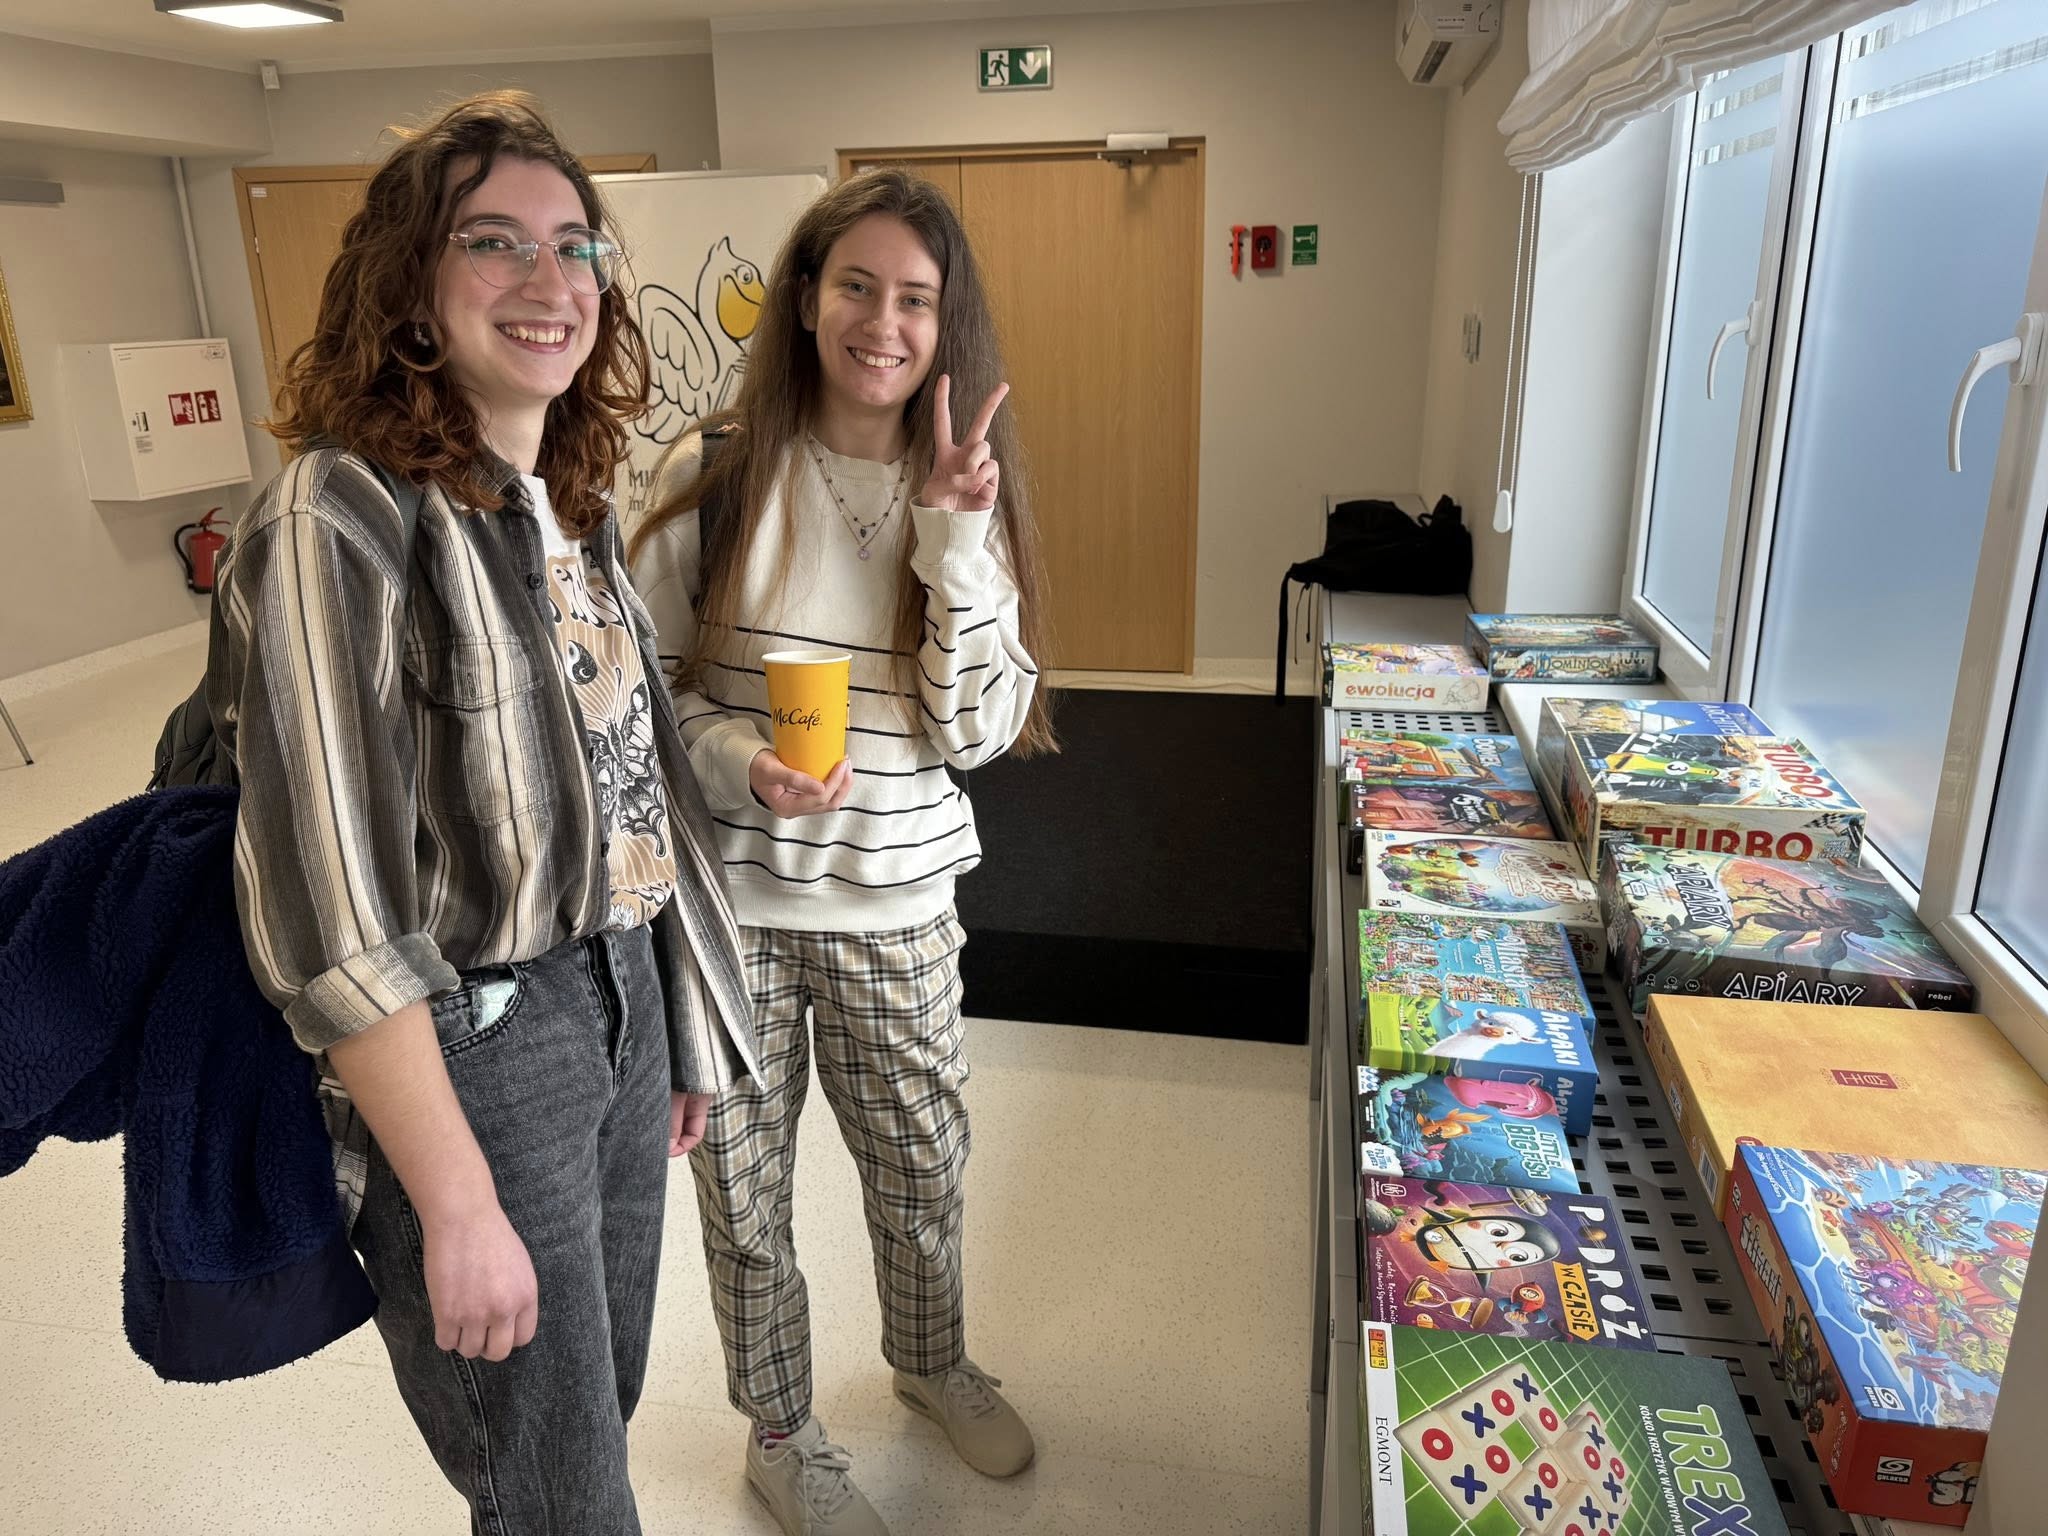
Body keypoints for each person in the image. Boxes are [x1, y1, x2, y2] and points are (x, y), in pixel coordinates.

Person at [208, 91, 757, 1533]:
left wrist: (669, 1020)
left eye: (576, 246)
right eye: (493, 241)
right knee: (554, 1487)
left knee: (591, 1421)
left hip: (619, 997)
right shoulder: (335, 516)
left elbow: (628, 793)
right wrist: (452, 1201)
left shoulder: (565, 501)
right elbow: (330, 913)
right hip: (478, 1042)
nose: (548, 278)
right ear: (408, 285)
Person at [628, 167, 1054, 1536]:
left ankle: (931, 1363)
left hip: (898, 901)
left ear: (945, 324)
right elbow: (646, 693)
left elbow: (976, 730)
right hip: (736, 907)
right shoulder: (714, 470)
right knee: (744, 1196)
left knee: (922, 1169)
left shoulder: (964, 488)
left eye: (916, 299)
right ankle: (780, 1431)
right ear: (807, 298)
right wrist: (736, 763)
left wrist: (955, 537)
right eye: (857, 285)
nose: (884, 321)